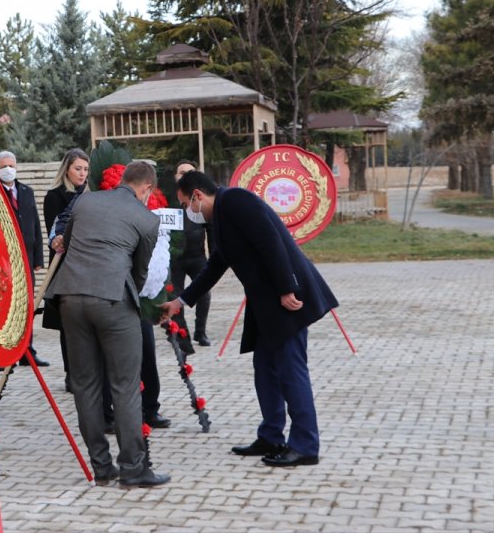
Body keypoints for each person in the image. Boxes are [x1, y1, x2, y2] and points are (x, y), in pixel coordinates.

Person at [161, 171, 338, 468]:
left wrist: (285, 288)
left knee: (291, 370)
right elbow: (217, 263)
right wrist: (181, 301)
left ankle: (305, 445)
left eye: (185, 203)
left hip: (284, 297)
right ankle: (271, 435)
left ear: (197, 196)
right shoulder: (221, 215)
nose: (187, 211)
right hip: (264, 301)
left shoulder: (236, 201)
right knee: (265, 368)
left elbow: (271, 240)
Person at [46, 161, 170, 487]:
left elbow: (69, 243)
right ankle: (133, 468)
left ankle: (101, 468)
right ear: (146, 189)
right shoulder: (147, 219)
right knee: (125, 386)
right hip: (114, 300)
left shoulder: (86, 200)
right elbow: (139, 273)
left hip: (70, 298)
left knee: (86, 384)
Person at [0, 150, 48, 367]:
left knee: (26, 307)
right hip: (3, 262)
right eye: (4, 166)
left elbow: (35, 224)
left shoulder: (26, 191)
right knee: (3, 307)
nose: (8, 169)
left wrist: (38, 258)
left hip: (26, 257)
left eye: (12, 166)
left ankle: (27, 351)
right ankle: (0, 354)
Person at [42, 148, 90, 389]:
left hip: (88, 264)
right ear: (67, 170)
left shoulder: (94, 194)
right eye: (77, 169)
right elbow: (55, 233)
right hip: (64, 264)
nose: (82, 174)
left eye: (85, 170)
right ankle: (72, 374)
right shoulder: (54, 195)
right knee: (67, 324)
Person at [170, 160, 213, 354]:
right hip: (175, 258)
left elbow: (211, 229)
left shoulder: (201, 198)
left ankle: (200, 332)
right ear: (175, 176)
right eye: (181, 172)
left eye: (189, 172)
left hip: (197, 255)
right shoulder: (168, 198)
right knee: (175, 295)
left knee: (204, 293)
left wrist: (215, 257)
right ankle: (182, 336)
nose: (184, 175)